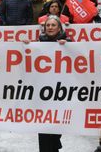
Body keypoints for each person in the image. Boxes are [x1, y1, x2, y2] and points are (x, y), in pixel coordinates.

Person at [34, 15, 69, 152]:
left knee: (56, 127)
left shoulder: (69, 42)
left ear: (59, 28)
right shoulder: (38, 43)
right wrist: (25, 47)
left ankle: (54, 146)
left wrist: (67, 47)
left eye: (53, 25)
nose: (50, 28)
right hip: (43, 92)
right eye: (47, 25)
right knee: (43, 127)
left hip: (62, 92)